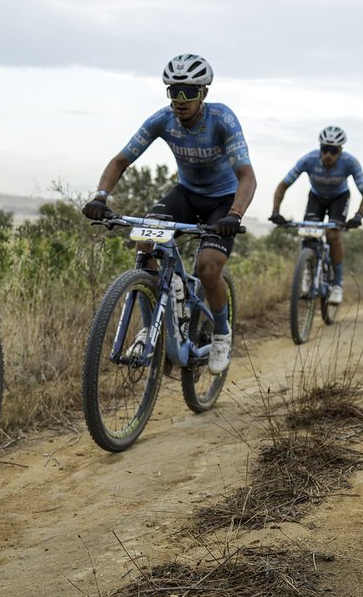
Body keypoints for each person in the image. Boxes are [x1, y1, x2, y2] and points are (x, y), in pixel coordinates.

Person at [82, 54, 256, 375]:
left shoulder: (222, 120)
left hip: (223, 201)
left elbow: (247, 176)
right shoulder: (163, 120)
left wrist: (234, 214)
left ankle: (221, 333)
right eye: (173, 91)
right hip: (186, 195)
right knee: (145, 242)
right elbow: (120, 161)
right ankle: (151, 327)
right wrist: (101, 197)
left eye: (189, 92)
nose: (180, 100)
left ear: (203, 93)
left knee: (207, 267)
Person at [269, 126, 363, 305]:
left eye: (333, 151)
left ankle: (338, 284)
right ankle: (307, 273)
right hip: (316, 198)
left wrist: (358, 216)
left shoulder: (350, 162)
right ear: (320, 148)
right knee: (308, 234)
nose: (328, 155)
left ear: (340, 151)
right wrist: (275, 212)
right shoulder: (308, 160)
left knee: (333, 235)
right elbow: (283, 185)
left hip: (339, 199)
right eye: (325, 149)